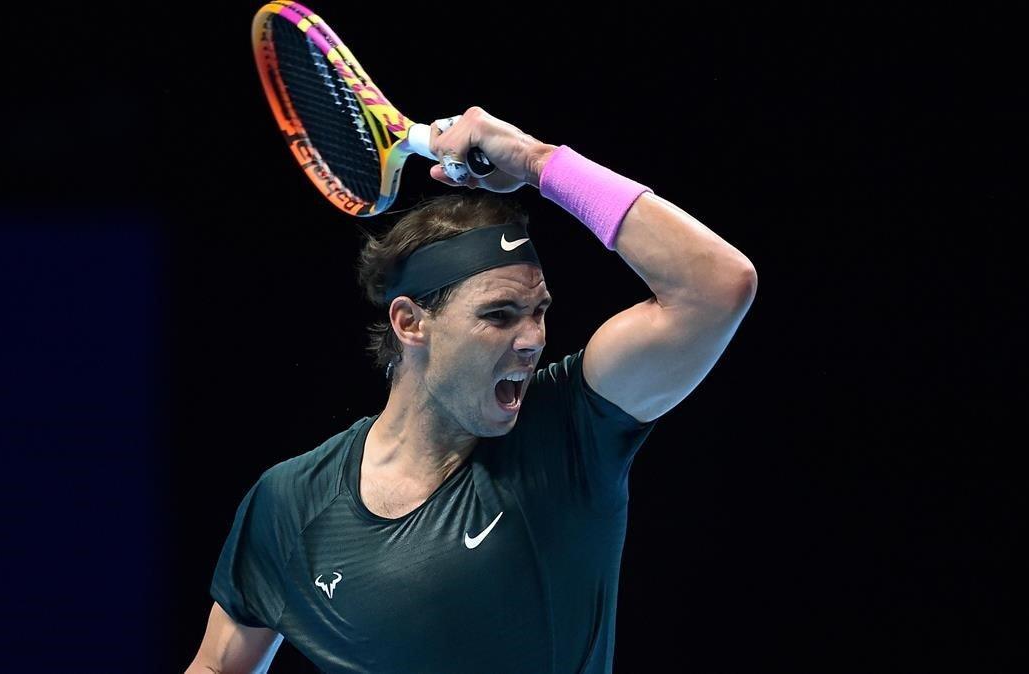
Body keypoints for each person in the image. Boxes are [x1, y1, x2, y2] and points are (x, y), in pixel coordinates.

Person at [184, 106, 757, 673]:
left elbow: (717, 286)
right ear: (410, 322)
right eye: (500, 315)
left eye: (539, 312)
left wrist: (536, 162)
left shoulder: (571, 432)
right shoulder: (289, 503)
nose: (533, 339)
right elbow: (216, 666)